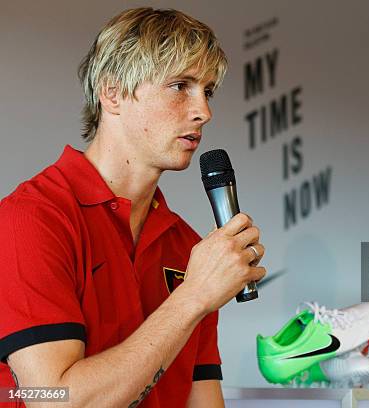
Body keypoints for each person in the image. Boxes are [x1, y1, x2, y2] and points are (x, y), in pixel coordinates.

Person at [0, 8, 266, 407]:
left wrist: (197, 292)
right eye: (180, 86)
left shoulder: (187, 246)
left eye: (207, 91)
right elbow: (54, 400)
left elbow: (202, 399)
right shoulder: (32, 218)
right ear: (112, 93)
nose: (204, 112)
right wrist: (193, 297)